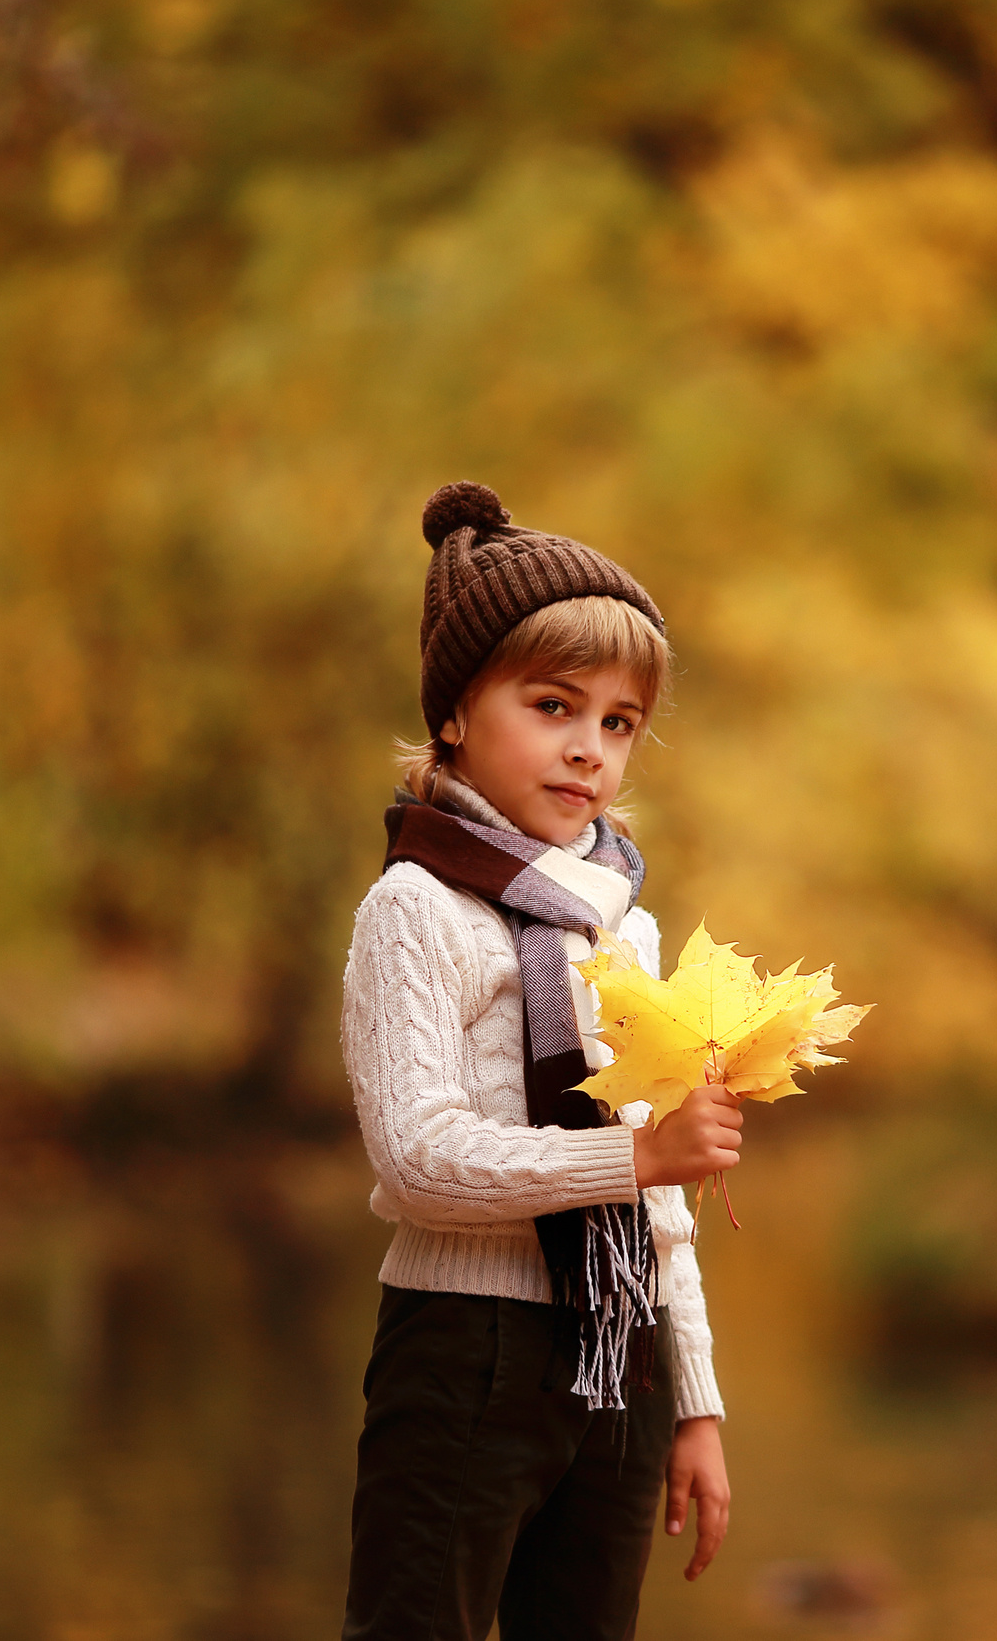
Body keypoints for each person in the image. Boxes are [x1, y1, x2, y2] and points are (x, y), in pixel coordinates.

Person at [338, 480, 743, 1641]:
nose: (589, 749)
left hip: (622, 1360)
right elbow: (418, 1162)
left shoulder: (624, 922)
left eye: (618, 722)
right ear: (458, 711)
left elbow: (661, 1205)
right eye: (555, 704)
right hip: (467, 1349)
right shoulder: (417, 909)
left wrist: (694, 1406)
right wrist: (637, 1161)